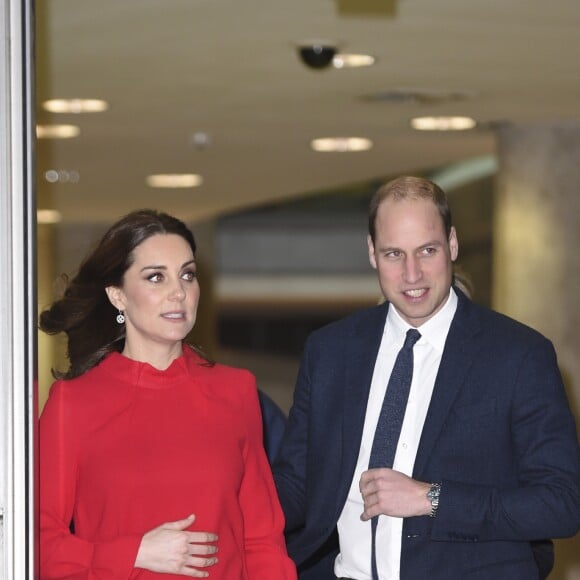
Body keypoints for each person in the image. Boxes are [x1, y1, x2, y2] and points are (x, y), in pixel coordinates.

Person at [273, 176, 580, 580]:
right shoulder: (330, 351)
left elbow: (560, 505)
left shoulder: (519, 355)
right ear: (371, 253)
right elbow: (296, 483)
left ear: (452, 244)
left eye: (427, 251)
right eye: (393, 254)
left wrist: (430, 498)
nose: (411, 274)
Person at [39, 209, 297, 580]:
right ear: (117, 295)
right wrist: (134, 553)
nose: (179, 292)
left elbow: (262, 541)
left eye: (187, 275)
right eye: (156, 277)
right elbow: (39, 545)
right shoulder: (72, 403)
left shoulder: (235, 390)